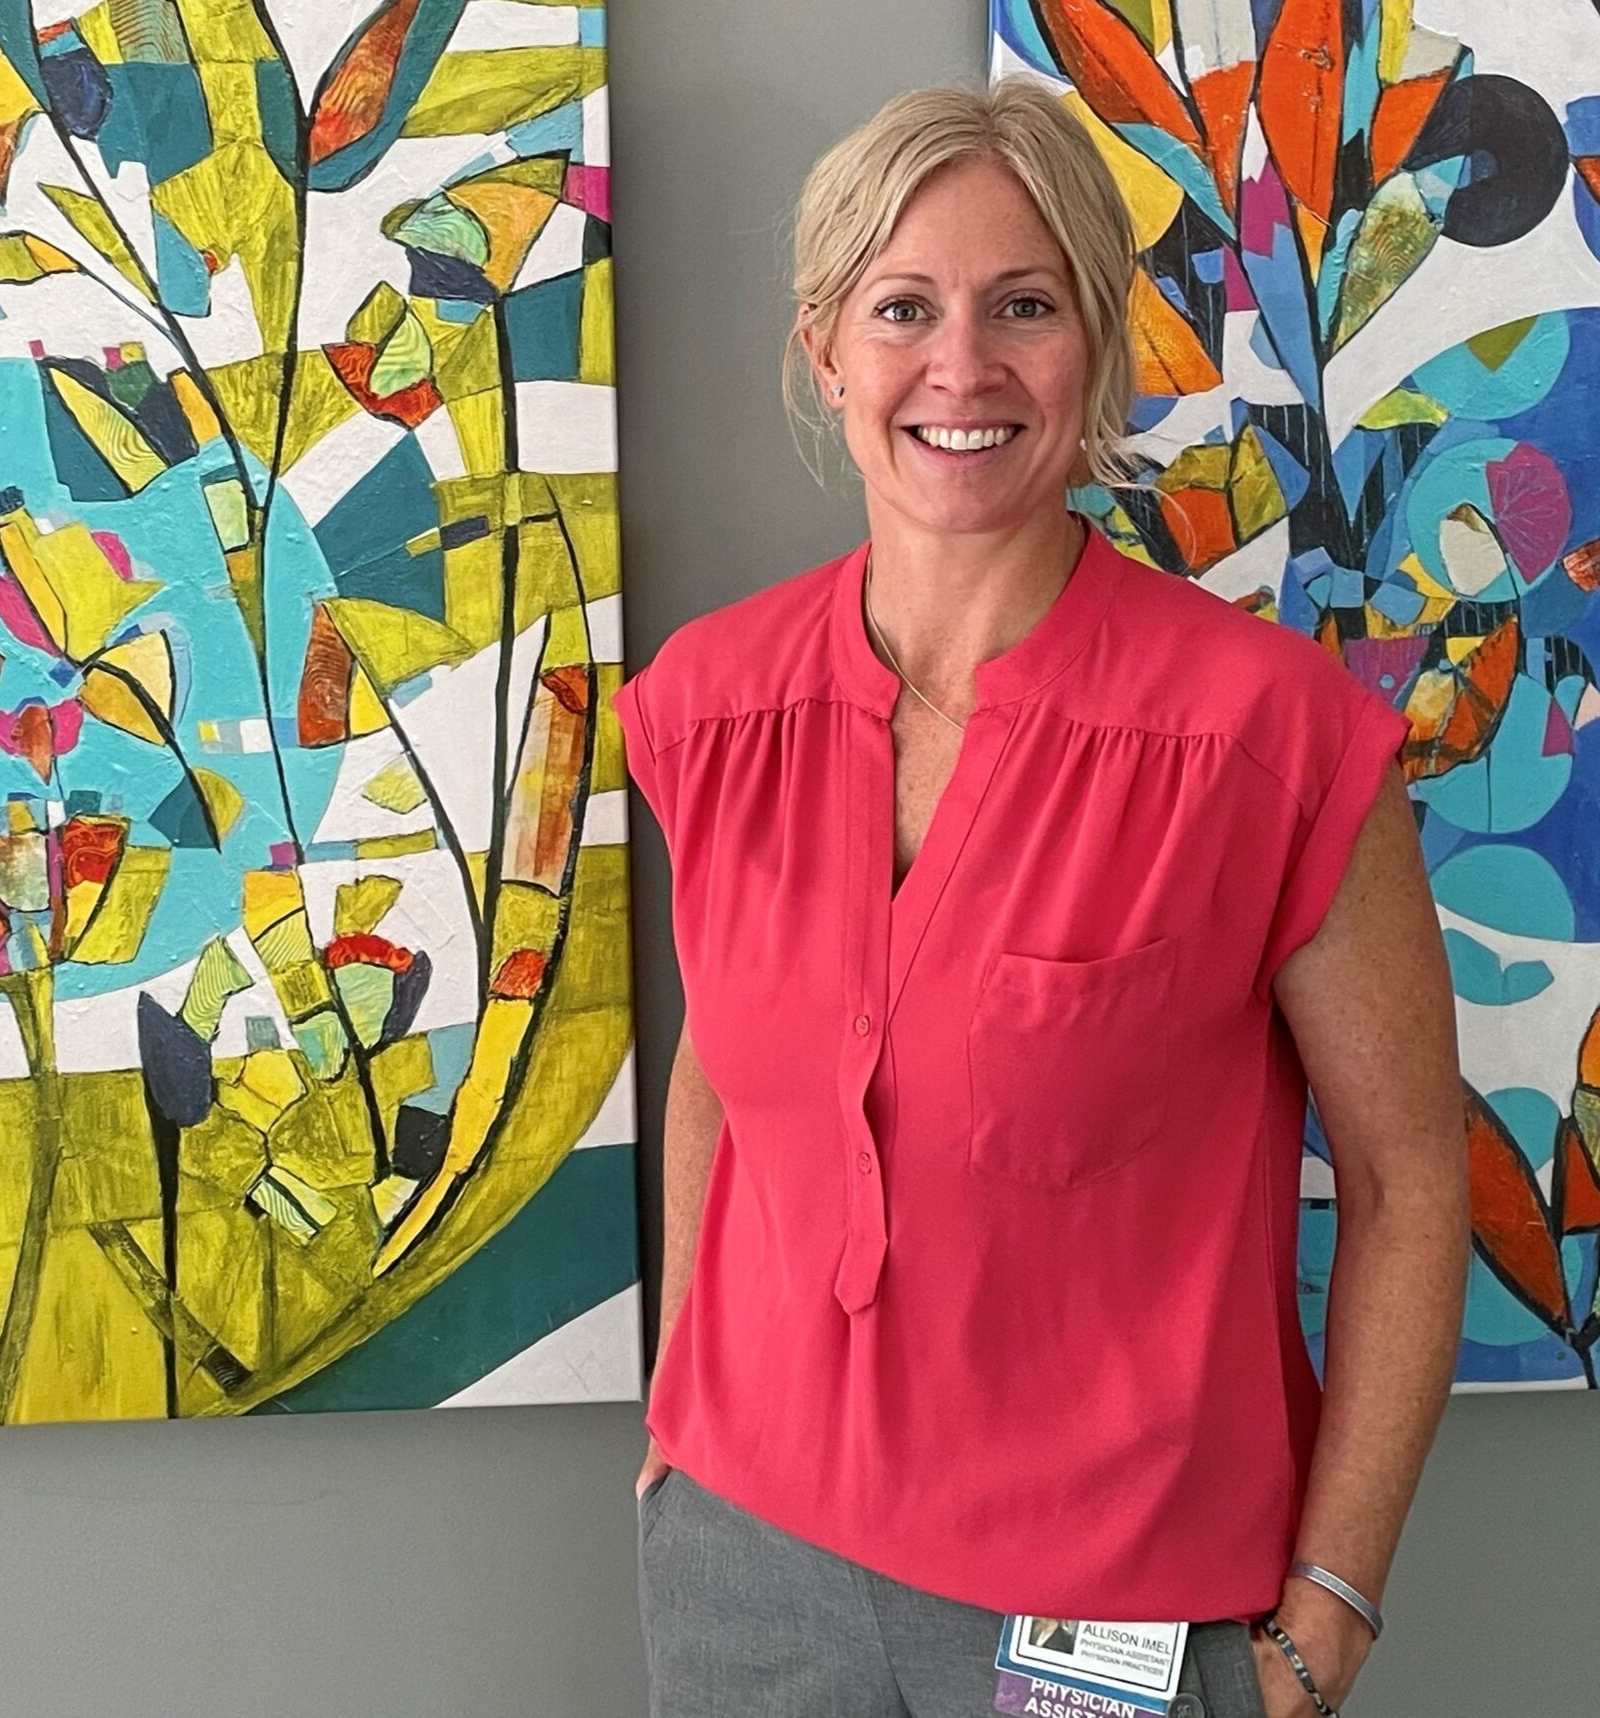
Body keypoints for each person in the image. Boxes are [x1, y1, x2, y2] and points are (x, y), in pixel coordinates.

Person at [614, 80, 1468, 1718]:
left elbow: (1408, 1172)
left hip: (1114, 1621)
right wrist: (677, 1414)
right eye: (903, 310)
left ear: (1096, 345)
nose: (962, 368)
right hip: (742, 1568)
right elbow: (723, 1065)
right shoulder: (707, 705)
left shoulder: (1269, 741)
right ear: (826, 354)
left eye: (1025, 306)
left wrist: (1330, 1611)